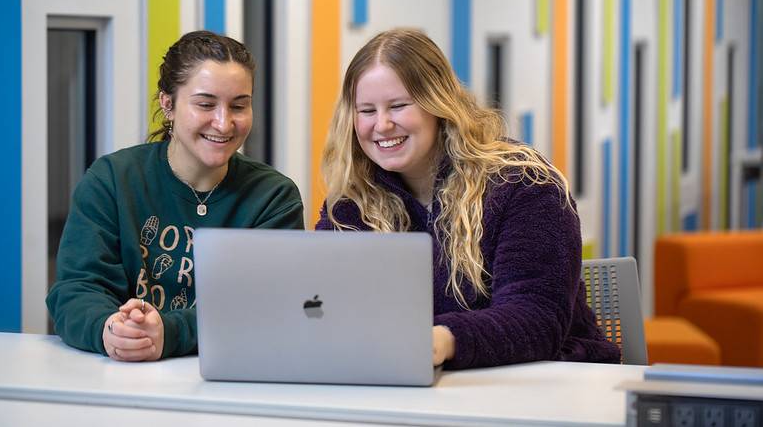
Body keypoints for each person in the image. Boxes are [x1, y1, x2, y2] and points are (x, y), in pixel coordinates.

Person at [316, 29, 621, 369]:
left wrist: (443, 339)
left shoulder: (524, 183)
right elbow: (322, 302)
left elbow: (536, 317)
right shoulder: (352, 202)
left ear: (439, 104)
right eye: (367, 110)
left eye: (399, 106)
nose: (382, 124)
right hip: (416, 384)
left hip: (549, 379)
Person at [47, 31, 304, 361]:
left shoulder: (274, 198)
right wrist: (111, 329)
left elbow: (268, 307)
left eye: (239, 106)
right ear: (168, 104)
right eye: (205, 104)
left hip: (229, 384)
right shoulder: (112, 180)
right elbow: (75, 290)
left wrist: (168, 333)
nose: (224, 123)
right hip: (121, 380)